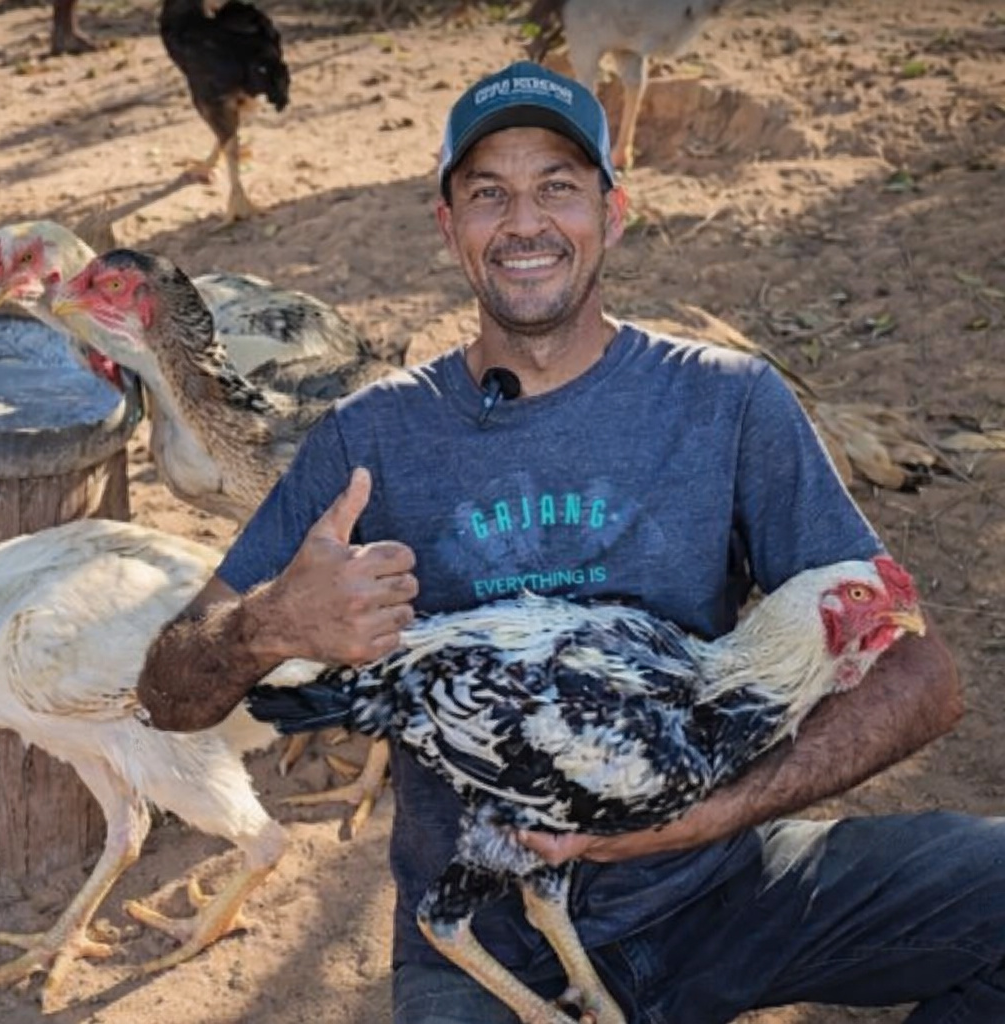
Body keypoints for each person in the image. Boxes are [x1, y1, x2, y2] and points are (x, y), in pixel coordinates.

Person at [134, 58, 1005, 1024]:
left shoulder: (727, 401)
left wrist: (703, 815)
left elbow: (926, 678)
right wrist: (268, 624)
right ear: (449, 227)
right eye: (488, 194)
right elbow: (167, 693)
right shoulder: (371, 436)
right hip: (496, 942)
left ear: (612, 211)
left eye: (557, 187)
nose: (525, 222)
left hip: (719, 887)